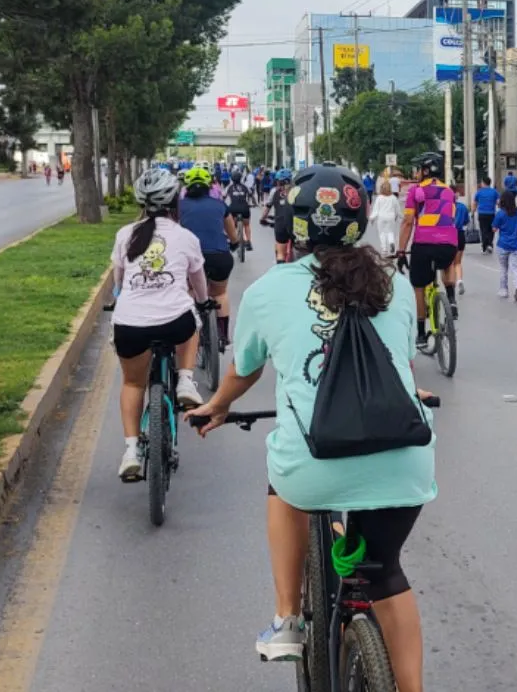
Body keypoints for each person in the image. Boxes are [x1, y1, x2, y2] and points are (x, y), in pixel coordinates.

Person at [186, 165, 435, 692]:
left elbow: (245, 369)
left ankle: (287, 620)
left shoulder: (269, 290)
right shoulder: (390, 282)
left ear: (290, 226)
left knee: (284, 483)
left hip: (314, 467)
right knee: (383, 570)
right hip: (405, 462)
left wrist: (218, 405)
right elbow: (399, 364)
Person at [109, 167, 208, 480]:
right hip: (174, 323)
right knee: (192, 324)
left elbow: (118, 282)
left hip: (129, 325)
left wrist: (120, 298)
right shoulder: (185, 237)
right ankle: (186, 379)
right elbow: (199, 283)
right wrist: (204, 303)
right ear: (174, 201)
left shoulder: (125, 235)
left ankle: (130, 450)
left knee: (133, 383)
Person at [396, 152, 460, 351]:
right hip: (449, 243)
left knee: (419, 287)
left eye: (418, 169)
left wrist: (400, 251)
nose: (415, 173)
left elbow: (408, 223)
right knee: (447, 262)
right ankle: (451, 297)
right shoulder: (449, 191)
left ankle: (422, 333)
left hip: (424, 244)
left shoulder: (415, 192)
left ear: (425, 170)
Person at [179, 167, 239, 347]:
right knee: (219, 293)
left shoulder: (179, 206)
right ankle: (222, 335)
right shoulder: (219, 204)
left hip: (189, 258)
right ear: (209, 186)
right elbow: (232, 232)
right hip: (219, 256)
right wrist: (234, 243)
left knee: (189, 291)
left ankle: (189, 332)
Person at [493, 189, 517, 301]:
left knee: (503, 268)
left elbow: (494, 228)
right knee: (515, 268)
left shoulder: (500, 213)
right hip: (516, 245)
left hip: (503, 245)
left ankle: (503, 290)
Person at [263, 169, 295, 264]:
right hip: (295, 224)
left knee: (280, 252)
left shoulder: (274, 192)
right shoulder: (296, 191)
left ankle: (280, 267)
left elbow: (267, 208)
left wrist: (263, 218)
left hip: (280, 223)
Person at [223, 168, 256, 254]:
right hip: (244, 208)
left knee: (232, 225)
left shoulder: (228, 187)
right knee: (247, 225)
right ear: (241, 178)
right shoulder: (245, 187)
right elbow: (252, 196)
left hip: (233, 209)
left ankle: (233, 240)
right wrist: (255, 204)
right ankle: (248, 242)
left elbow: (223, 197)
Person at [369, 178, 404, 255]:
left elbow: (376, 210)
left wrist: (372, 218)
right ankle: (391, 242)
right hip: (391, 217)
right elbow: (398, 210)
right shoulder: (393, 198)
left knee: (382, 233)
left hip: (381, 217)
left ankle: (384, 249)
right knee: (390, 232)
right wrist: (402, 217)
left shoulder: (379, 198)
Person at [451, 183, 470, 296]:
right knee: (457, 262)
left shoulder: (444, 206)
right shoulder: (462, 207)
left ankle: (451, 285)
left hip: (448, 235)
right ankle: (459, 281)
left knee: (449, 263)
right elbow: (466, 221)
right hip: (460, 234)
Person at [474, 176, 500, 254]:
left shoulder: (479, 192)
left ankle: (485, 247)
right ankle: (490, 244)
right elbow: (498, 202)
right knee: (491, 230)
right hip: (491, 214)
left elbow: (475, 203)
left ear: (483, 183)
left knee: (483, 230)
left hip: (482, 214)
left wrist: (472, 212)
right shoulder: (494, 192)